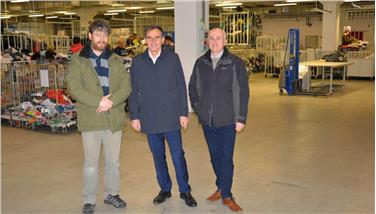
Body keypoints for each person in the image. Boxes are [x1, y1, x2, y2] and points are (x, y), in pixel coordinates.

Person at [65, 19, 131, 214]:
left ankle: (112, 194)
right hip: (91, 118)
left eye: (105, 35)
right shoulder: (78, 59)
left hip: (113, 118)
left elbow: (126, 86)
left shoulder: (116, 60)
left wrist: (111, 101)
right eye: (98, 34)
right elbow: (74, 86)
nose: (102, 38)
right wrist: (99, 101)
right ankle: (90, 199)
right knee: (91, 164)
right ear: (90, 36)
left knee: (113, 162)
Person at [128, 25, 197, 208]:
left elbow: (181, 86)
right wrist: (134, 116)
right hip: (149, 118)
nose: (153, 41)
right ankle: (165, 189)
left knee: (177, 156)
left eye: (156, 37)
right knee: (158, 157)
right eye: (149, 38)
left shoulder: (172, 59)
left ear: (163, 40)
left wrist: (184, 112)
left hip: (171, 117)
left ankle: (185, 190)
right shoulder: (138, 62)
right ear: (145, 40)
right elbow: (133, 91)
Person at [188, 27, 250, 212]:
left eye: (218, 38)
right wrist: (199, 109)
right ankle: (221, 186)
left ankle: (227, 194)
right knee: (215, 157)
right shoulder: (201, 63)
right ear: (207, 41)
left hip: (228, 119)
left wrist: (240, 118)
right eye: (211, 39)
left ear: (225, 41)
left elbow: (242, 92)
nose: (214, 42)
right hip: (208, 120)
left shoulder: (235, 62)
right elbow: (193, 88)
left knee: (226, 158)